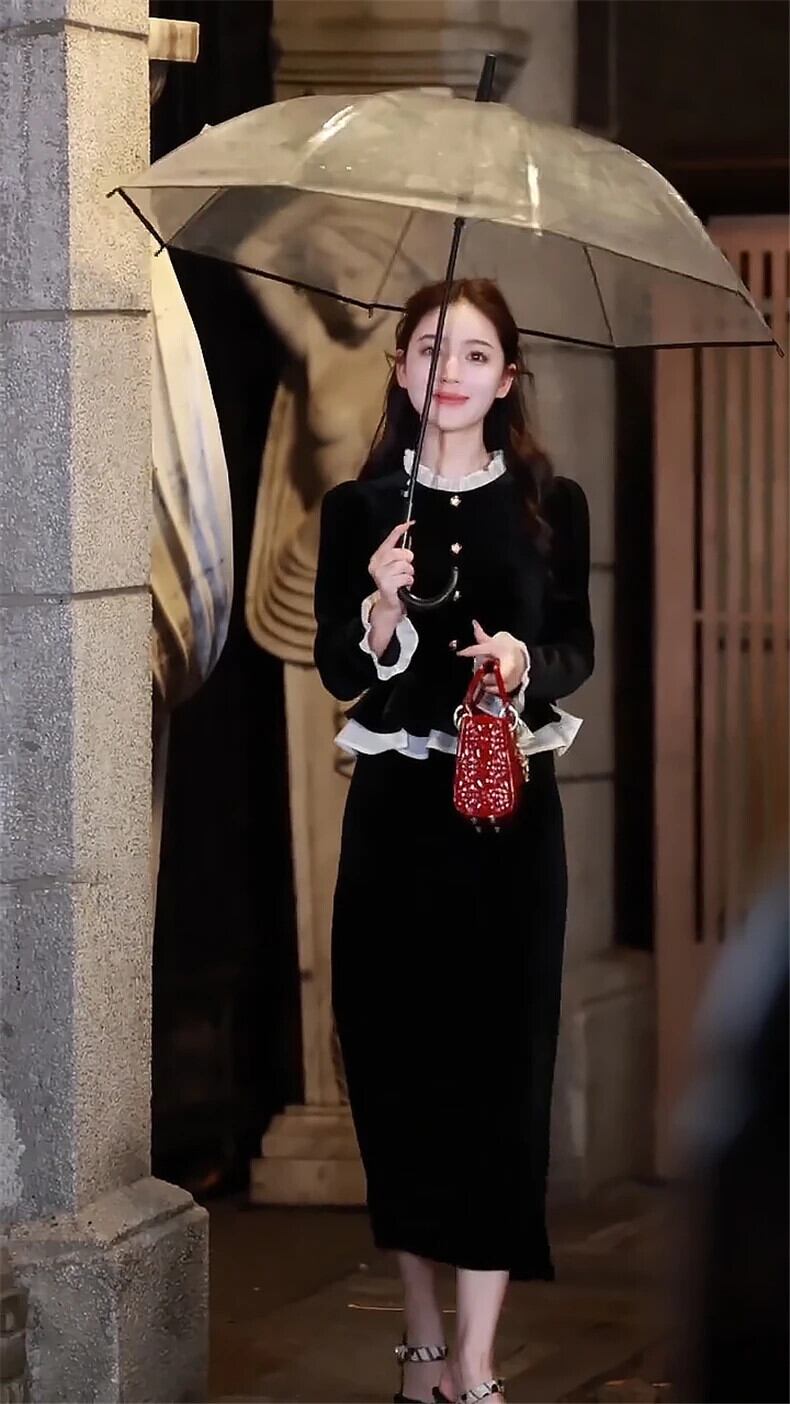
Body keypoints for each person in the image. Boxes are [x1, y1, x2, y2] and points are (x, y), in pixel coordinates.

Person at [313, 278, 594, 1404]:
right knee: (397, 1070)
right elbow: (338, 668)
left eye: (476, 354)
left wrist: (523, 662)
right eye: (432, 349)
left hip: (510, 825)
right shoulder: (358, 509)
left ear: (508, 378)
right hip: (396, 822)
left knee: (500, 1074)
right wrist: (380, 608)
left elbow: (575, 647)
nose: (452, 372)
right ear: (400, 367)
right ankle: (423, 1337)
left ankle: (476, 1362)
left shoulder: (549, 503)